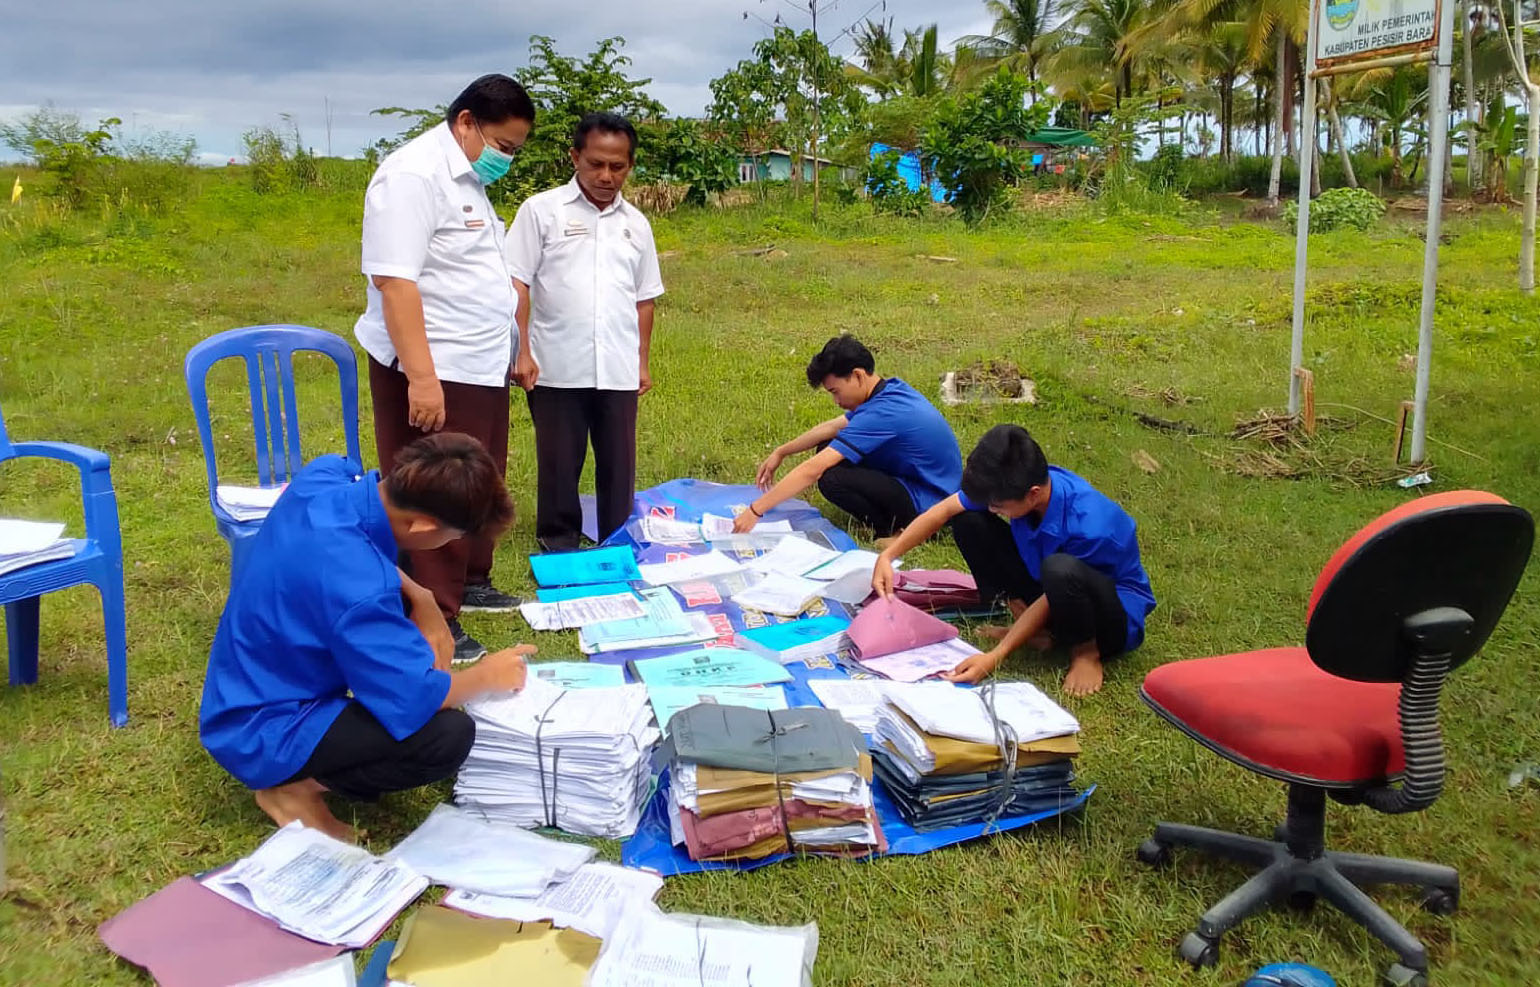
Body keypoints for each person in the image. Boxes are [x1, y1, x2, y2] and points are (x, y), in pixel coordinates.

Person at [199, 433, 535, 841]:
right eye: (452, 536)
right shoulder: (362, 591)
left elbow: (349, 544)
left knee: (398, 560)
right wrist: (486, 676)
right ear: (425, 525)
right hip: (264, 730)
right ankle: (292, 789)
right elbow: (415, 697)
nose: (451, 545)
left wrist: (420, 595)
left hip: (239, 688)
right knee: (447, 736)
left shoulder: (323, 477)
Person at [354, 73, 536, 663]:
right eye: (504, 147)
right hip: (435, 364)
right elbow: (395, 282)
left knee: (479, 478)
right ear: (466, 123)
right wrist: (422, 377)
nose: (506, 160)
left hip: (478, 360)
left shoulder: (463, 177)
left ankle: (471, 581)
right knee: (434, 491)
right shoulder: (411, 177)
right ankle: (432, 609)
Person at [872, 425, 1154, 697]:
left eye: (998, 507)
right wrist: (888, 556)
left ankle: (1085, 652)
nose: (994, 510)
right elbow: (945, 510)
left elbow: (1056, 589)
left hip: (1107, 614)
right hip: (1051, 585)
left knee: (1060, 569)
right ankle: (1039, 632)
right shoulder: (1015, 487)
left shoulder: (1092, 527)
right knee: (969, 522)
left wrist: (996, 655)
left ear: (1032, 494)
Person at [505, 111, 665, 551]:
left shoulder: (637, 225)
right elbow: (516, 281)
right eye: (596, 163)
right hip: (555, 362)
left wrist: (641, 361)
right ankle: (558, 538)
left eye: (618, 166)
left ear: (630, 165)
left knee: (618, 462)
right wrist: (521, 352)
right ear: (574, 157)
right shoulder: (541, 212)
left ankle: (616, 538)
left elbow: (644, 298)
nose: (607, 175)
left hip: (616, 364)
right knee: (559, 460)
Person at [733, 335, 962, 541]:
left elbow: (812, 470)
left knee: (831, 477)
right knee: (827, 447)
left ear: (858, 376)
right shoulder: (889, 391)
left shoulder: (882, 414)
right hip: (930, 487)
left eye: (835, 391)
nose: (836, 401)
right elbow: (833, 427)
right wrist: (781, 451)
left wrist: (756, 510)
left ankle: (895, 530)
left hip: (931, 505)